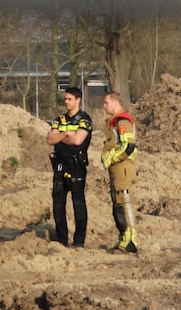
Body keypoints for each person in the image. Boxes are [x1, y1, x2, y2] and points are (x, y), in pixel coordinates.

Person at [47, 86, 93, 248]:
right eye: (65, 99)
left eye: (69, 99)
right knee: (58, 204)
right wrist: (66, 134)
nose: (66, 102)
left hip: (76, 165)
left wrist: (61, 137)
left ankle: (79, 241)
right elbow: (50, 139)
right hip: (60, 165)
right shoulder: (59, 120)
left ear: (78, 100)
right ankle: (62, 239)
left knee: (78, 203)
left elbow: (78, 140)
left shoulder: (84, 119)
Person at [100, 91, 139, 253]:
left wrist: (111, 157)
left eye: (106, 103)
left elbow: (128, 146)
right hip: (116, 169)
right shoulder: (114, 121)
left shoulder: (122, 120)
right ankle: (123, 238)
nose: (104, 106)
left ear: (115, 103)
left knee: (124, 203)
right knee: (117, 205)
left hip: (122, 168)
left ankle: (131, 240)